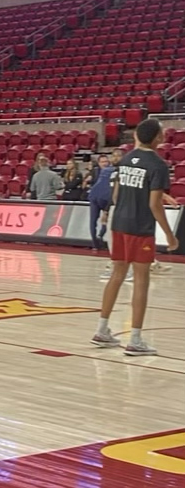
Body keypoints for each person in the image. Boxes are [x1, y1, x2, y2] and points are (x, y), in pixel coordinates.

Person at [91, 118, 179, 356]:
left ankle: (101, 329)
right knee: (141, 281)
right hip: (140, 228)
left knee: (117, 275)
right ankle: (136, 339)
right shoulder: (158, 165)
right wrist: (170, 236)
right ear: (159, 138)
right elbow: (154, 205)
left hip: (119, 224)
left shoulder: (126, 159)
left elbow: (118, 194)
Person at [87, 154, 114, 252]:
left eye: (106, 161)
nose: (105, 163)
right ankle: (95, 243)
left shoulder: (110, 170)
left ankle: (100, 235)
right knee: (93, 220)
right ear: (98, 163)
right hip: (96, 196)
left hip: (105, 197)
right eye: (102, 162)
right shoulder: (94, 171)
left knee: (105, 219)